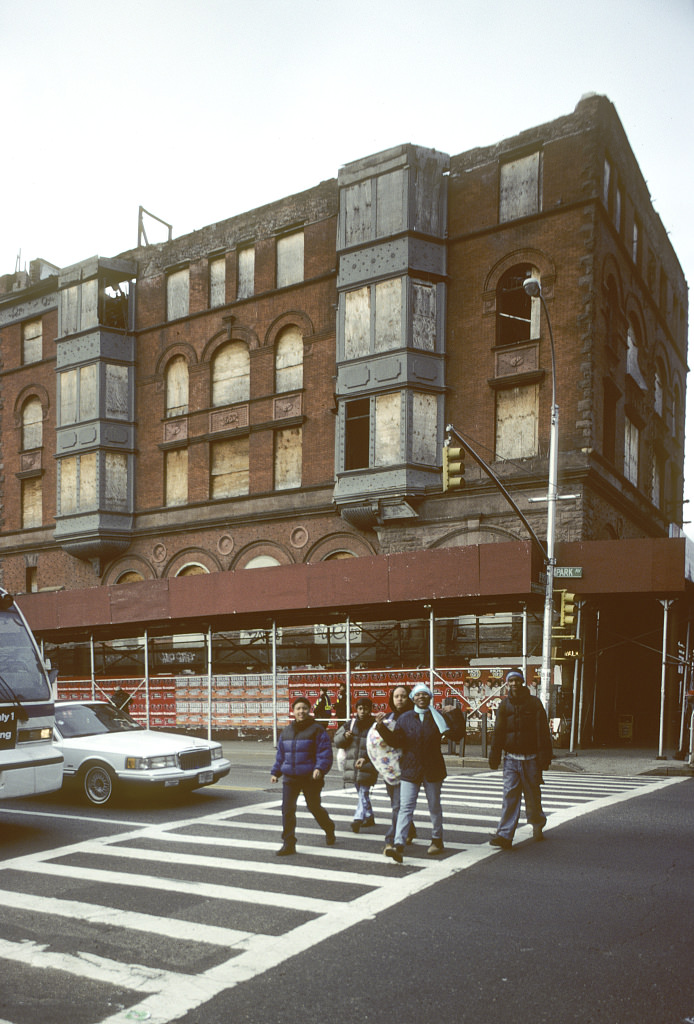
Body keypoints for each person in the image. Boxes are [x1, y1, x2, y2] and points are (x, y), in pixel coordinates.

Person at [376, 682, 465, 863]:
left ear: (430, 698)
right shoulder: (406, 718)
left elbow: (456, 735)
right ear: (413, 698)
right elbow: (396, 741)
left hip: (433, 768)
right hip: (410, 768)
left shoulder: (438, 717)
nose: (421, 697)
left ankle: (437, 840)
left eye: (425, 694)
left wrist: (455, 714)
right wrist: (380, 727)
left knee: (434, 806)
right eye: (418, 695)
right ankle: (399, 844)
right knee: (405, 807)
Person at [488, 668, 553, 850]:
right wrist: (494, 756)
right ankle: (504, 835)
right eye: (511, 681)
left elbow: (542, 732)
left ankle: (538, 823)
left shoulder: (534, 703)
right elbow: (498, 733)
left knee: (532, 796)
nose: (514, 684)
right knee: (510, 796)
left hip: (531, 759)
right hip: (510, 760)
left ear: (522, 682)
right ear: (507, 683)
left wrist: (544, 758)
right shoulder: (504, 705)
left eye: (517, 680)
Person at [270, 695, 336, 856]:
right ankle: (288, 843)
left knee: (314, 807)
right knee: (287, 810)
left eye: (304, 708)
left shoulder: (317, 729)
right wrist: (275, 772)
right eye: (298, 708)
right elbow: (281, 754)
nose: (301, 711)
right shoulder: (287, 730)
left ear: (309, 710)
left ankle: (329, 828)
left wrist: (319, 768)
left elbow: (325, 752)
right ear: (293, 711)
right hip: (290, 778)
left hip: (310, 777)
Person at [372, 685, 417, 854]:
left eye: (403, 696)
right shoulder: (389, 717)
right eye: (396, 696)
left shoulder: (412, 717)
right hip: (389, 768)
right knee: (397, 804)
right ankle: (410, 830)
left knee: (398, 805)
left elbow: (399, 741)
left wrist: (381, 728)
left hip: (406, 767)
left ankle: (390, 841)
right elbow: (378, 742)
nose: (399, 699)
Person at [334, 696, 378, 832]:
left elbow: (379, 745)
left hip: (368, 763)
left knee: (364, 791)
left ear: (370, 710)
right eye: (360, 708)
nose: (363, 711)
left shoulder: (375, 725)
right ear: (356, 710)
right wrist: (344, 737)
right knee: (361, 792)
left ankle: (358, 819)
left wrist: (367, 758)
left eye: (365, 709)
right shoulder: (350, 724)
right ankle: (369, 816)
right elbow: (337, 741)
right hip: (353, 764)